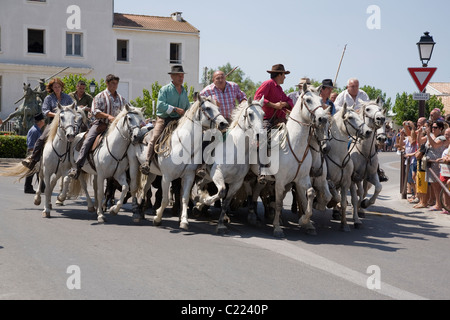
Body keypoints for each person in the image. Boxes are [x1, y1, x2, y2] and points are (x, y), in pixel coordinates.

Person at [69, 74, 127, 179]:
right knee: (87, 141)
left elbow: (128, 109)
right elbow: (95, 111)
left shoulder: (121, 99)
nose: (115, 86)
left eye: (116, 84)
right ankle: (78, 167)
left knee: (129, 141)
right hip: (101, 124)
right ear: (107, 83)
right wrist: (108, 116)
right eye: (113, 83)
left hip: (116, 128)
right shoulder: (100, 96)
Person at [140, 65, 191, 175]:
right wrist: (175, 109)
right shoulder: (164, 90)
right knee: (155, 137)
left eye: (182, 76)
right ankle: (147, 162)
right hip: (164, 119)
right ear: (172, 76)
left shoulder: (184, 91)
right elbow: (160, 106)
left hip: (179, 121)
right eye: (178, 76)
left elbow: (187, 106)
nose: (181, 78)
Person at [22, 78, 74, 170]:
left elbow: (74, 108)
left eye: (59, 86)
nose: (57, 88)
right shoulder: (48, 98)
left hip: (67, 123)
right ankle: (32, 159)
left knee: (80, 137)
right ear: (52, 88)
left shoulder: (68, 98)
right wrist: (57, 115)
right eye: (55, 87)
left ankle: (80, 162)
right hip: (53, 123)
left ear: (62, 87)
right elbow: (45, 111)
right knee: (41, 139)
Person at [254, 64, 294, 130]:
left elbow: (289, 100)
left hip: (280, 120)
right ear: (279, 75)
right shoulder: (268, 83)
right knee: (262, 137)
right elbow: (257, 98)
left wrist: (285, 104)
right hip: (267, 120)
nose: (285, 77)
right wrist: (274, 105)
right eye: (284, 75)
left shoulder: (279, 88)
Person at [425, 120, 449, 211]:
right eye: (432, 127)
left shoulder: (442, 138)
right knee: (433, 185)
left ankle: (439, 204)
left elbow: (435, 146)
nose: (433, 129)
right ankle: (438, 203)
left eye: (435, 127)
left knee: (437, 185)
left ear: (441, 129)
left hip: (437, 164)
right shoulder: (432, 136)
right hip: (432, 163)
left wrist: (428, 135)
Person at [24, 113, 46, 194]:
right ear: (40, 121)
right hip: (33, 153)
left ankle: (42, 187)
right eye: (43, 120)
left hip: (36, 153)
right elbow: (31, 145)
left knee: (37, 171)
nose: (44, 121)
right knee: (31, 171)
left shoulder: (37, 130)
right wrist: (33, 155)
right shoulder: (34, 130)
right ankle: (28, 188)